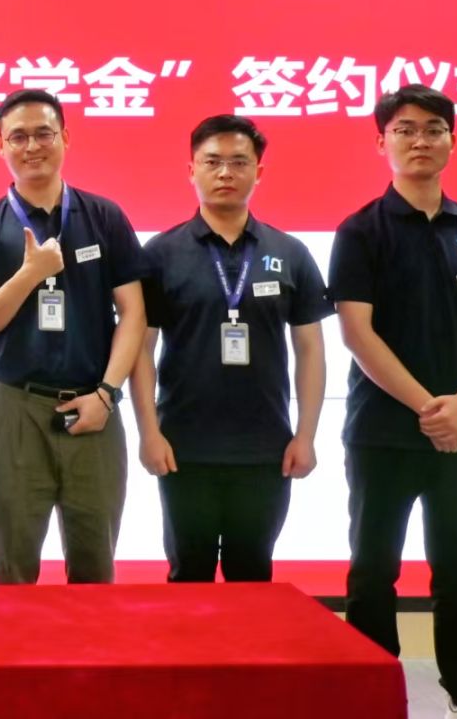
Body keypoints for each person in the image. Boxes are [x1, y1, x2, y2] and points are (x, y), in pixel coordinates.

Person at [331, 85, 457, 719]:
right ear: (381, 142)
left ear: (452, 141)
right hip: (381, 433)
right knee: (372, 571)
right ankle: (373, 697)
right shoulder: (361, 230)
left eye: (434, 129)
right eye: (405, 129)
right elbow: (358, 333)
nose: (420, 140)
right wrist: (429, 409)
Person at [0, 88, 146, 585]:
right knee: (12, 566)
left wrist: (107, 394)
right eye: (18, 137)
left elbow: (133, 314)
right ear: (0, 145)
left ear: (65, 138)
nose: (32, 146)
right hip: (15, 409)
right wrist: (29, 275)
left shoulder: (104, 217)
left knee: (95, 564)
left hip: (94, 406)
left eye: (44, 133)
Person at [130, 114, 329, 584]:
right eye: (212, 162)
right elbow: (140, 350)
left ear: (259, 171)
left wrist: (305, 435)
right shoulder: (160, 254)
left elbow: (311, 350)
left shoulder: (290, 252)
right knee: (188, 576)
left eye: (239, 162)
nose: (225, 173)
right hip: (183, 448)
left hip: (265, 449)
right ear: (191, 170)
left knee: (253, 576)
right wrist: (148, 433)